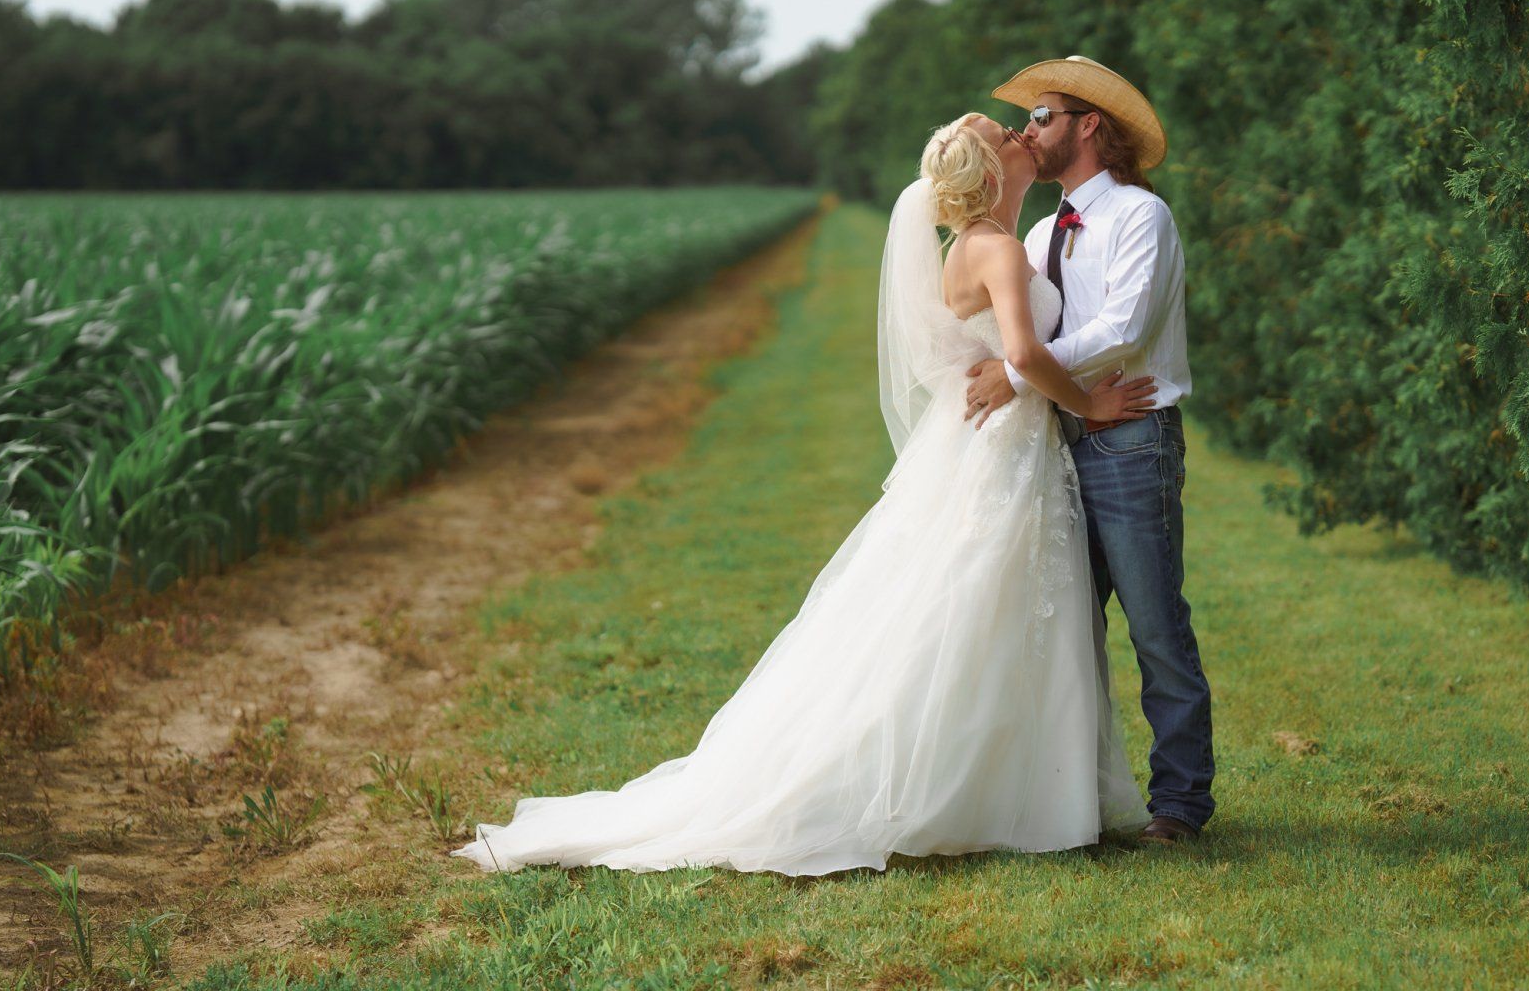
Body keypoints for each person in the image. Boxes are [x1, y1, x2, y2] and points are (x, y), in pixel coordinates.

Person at [452, 112, 1154, 876]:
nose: (1021, 132)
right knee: (984, 605)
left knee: (982, 607)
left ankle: (1009, 791)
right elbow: (1019, 351)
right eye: (1002, 132)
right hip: (1002, 447)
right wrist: (1092, 405)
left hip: (989, 446)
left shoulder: (976, 247)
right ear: (988, 171)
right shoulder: (997, 249)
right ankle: (997, 797)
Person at [962, 55, 1215, 844]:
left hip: (1133, 441)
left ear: (1088, 125)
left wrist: (1013, 375)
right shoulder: (1038, 231)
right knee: (1063, 631)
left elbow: (1123, 332)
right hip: (1057, 444)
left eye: (1042, 117)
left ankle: (1180, 804)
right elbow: (1024, 327)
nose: (1029, 131)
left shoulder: (1141, 216)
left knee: (1153, 625)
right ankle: (1059, 796)